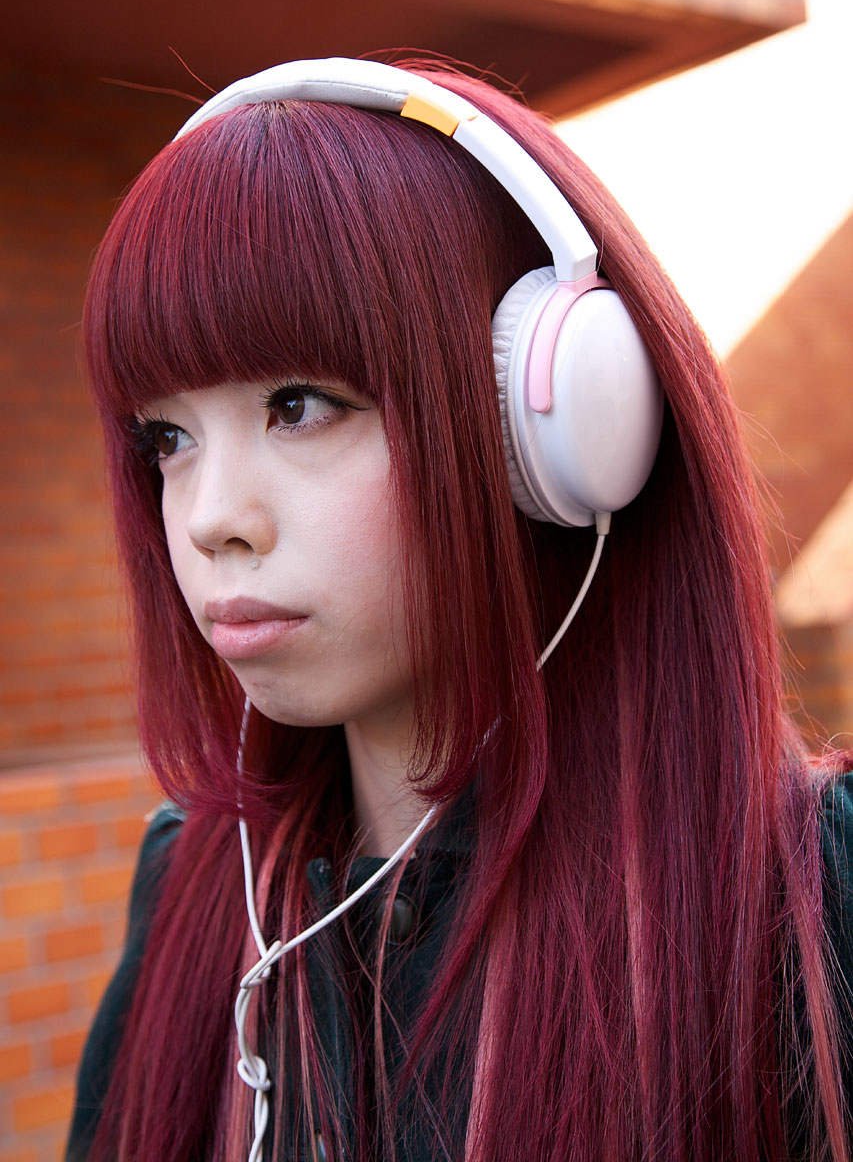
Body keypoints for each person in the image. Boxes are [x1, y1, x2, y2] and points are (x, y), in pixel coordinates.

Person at [66, 56, 853, 1162]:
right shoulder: (198, 887)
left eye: (298, 405)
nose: (207, 517)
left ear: (558, 429)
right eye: (167, 438)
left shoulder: (804, 904)